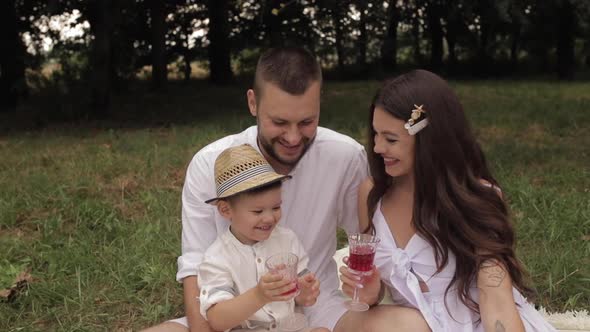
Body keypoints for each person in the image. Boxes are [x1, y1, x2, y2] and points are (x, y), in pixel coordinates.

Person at [142, 47, 430, 332]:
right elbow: (195, 269)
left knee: (411, 326)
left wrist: (371, 291)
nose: (293, 138)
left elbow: (369, 250)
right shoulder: (210, 163)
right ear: (253, 103)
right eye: (279, 122)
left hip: (319, 312)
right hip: (237, 317)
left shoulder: (345, 157)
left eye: (307, 122)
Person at [339, 69, 557, 331]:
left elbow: (495, 298)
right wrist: (372, 291)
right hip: (415, 325)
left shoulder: (476, 198)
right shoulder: (371, 195)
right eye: (375, 134)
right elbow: (378, 289)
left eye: (391, 139)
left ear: (428, 139)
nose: (377, 148)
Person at [196, 144, 327, 332]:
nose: (270, 218)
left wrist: (306, 292)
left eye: (276, 207)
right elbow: (217, 320)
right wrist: (259, 295)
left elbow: (300, 293)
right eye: (257, 211)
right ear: (225, 210)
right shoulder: (217, 258)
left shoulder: (287, 239)